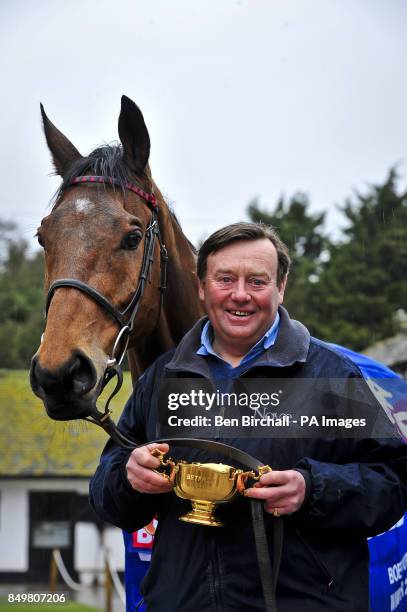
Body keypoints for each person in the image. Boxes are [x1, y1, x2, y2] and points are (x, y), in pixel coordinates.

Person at [89, 222, 407, 612]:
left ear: (280, 288)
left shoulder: (333, 377)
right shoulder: (163, 377)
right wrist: (128, 478)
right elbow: (107, 493)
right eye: (225, 279)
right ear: (202, 287)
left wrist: (313, 489)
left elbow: (394, 483)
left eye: (257, 281)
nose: (240, 295)